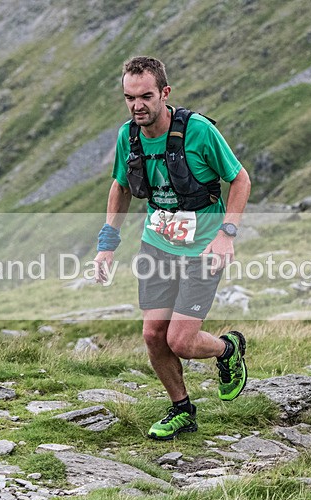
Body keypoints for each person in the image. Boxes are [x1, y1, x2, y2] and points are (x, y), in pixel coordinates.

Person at [94, 56, 252, 440]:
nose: (137, 106)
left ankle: (227, 349)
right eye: (129, 98)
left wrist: (227, 233)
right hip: (158, 245)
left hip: (203, 247)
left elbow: (240, 179)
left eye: (146, 96)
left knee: (180, 341)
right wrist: (107, 245)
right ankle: (182, 409)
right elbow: (121, 186)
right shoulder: (128, 135)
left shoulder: (198, 131)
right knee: (153, 335)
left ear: (164, 93)